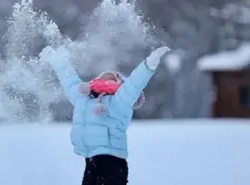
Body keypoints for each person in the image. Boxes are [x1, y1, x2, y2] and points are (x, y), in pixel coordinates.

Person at [40, 45, 170, 185]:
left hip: (112, 161)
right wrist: (57, 60)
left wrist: (148, 65)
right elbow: (69, 80)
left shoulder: (120, 101)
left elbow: (134, 84)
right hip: (91, 160)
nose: (106, 79)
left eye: (112, 78)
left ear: (119, 85)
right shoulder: (82, 98)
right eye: (103, 77)